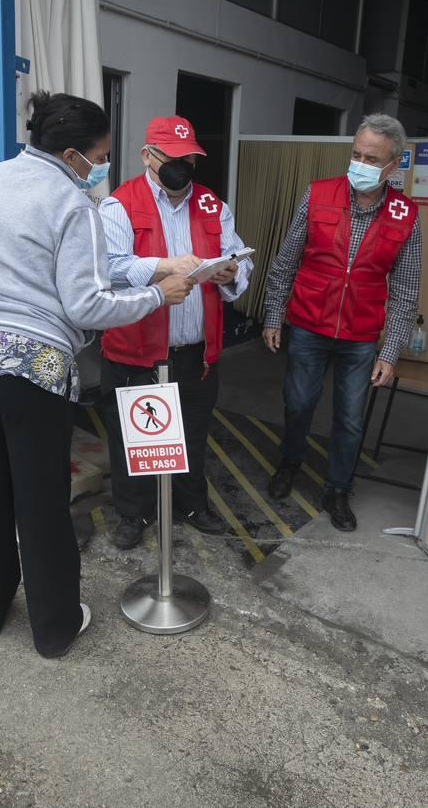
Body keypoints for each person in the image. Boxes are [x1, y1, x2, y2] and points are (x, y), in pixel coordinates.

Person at [0, 92, 192, 658]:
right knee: (42, 503)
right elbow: (86, 307)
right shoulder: (76, 207)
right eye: (100, 155)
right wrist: (158, 293)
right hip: (30, 367)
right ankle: (53, 629)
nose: (102, 168)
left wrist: (148, 270)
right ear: (75, 154)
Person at [98, 115, 253, 549]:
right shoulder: (120, 204)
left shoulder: (211, 205)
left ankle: (191, 504)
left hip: (195, 351)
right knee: (134, 436)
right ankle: (134, 512)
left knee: (193, 433)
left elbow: (239, 255)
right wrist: (166, 266)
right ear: (148, 156)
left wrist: (231, 272)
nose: (181, 167)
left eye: (189, 159)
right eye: (172, 158)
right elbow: (110, 268)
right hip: (137, 351)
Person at [263, 114, 422, 532]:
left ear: (393, 164)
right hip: (309, 323)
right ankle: (291, 460)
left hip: (360, 334)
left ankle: (337, 488)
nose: (361, 163)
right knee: (298, 403)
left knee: (350, 418)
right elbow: (286, 260)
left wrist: (390, 351)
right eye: (356, 154)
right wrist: (274, 313)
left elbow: (406, 289)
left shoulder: (406, 214)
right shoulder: (318, 195)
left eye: (372, 158)